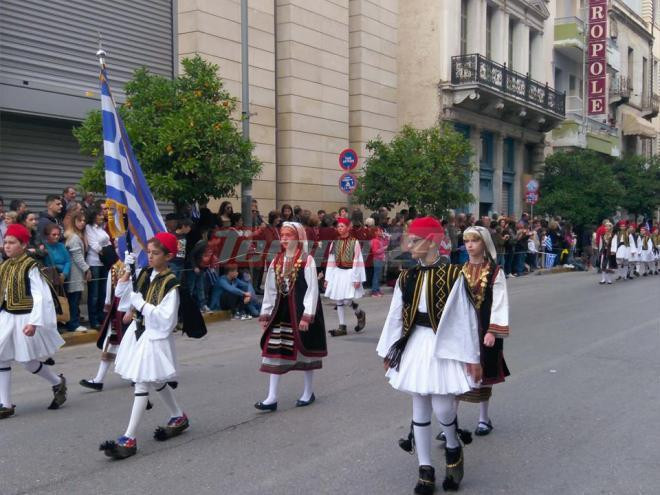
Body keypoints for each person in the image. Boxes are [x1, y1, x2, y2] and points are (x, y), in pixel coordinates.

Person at [377, 217, 481, 493]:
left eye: (414, 240)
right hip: (415, 345)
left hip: (443, 345)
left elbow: (465, 318)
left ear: (432, 241)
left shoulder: (454, 275)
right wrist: (390, 349)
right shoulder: (406, 277)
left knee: (444, 407)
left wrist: (472, 357)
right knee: (419, 405)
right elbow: (395, 317)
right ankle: (425, 469)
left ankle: (452, 445)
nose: (409, 246)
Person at [100, 233, 190, 459]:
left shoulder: (172, 284)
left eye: (155, 253)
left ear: (168, 256)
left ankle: (129, 437)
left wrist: (141, 304)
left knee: (142, 382)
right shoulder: (145, 274)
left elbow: (166, 320)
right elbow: (123, 298)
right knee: (156, 380)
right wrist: (127, 272)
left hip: (155, 337)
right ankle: (178, 415)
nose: (150, 257)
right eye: (148, 252)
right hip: (139, 334)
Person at [254, 222, 326, 411]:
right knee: (275, 349)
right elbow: (270, 289)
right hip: (281, 311)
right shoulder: (276, 260)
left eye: (289, 235)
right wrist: (266, 313)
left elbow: (312, 289)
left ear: (298, 238)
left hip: (301, 312)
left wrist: (307, 315)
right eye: (282, 235)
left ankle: (308, 392)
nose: (284, 238)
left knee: (306, 351)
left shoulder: (306, 260)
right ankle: (271, 397)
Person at [0, 224, 68, 419]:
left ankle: (57, 381)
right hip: (6, 316)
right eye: (5, 242)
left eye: (12, 242)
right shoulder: (4, 266)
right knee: (1, 356)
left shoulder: (31, 266)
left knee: (26, 361)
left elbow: (40, 296)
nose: (7, 246)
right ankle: (5, 403)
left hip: (25, 317)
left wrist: (34, 322)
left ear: (23, 244)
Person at [452, 227, 509, 437]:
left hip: (485, 327)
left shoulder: (496, 271)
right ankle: (451, 422)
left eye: (474, 240)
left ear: (484, 243)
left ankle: (484, 419)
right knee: (456, 374)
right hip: (463, 329)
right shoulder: (458, 270)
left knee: (484, 374)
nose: (469, 245)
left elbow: (500, 303)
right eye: (466, 241)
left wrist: (493, 331)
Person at [324, 218, 366, 337]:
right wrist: (327, 278)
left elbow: (357, 260)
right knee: (338, 299)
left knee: (347, 300)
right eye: (338, 226)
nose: (340, 228)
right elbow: (331, 261)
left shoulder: (354, 242)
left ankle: (359, 313)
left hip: (349, 273)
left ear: (348, 227)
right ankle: (342, 326)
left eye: (342, 226)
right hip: (338, 272)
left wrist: (357, 278)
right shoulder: (334, 242)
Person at [64, 211, 91, 332]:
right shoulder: (74, 237)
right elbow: (77, 256)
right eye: (79, 220)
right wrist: (87, 269)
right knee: (74, 299)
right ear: (73, 221)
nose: (82, 223)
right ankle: (73, 324)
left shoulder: (75, 235)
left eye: (84, 221)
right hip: (74, 273)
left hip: (75, 272)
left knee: (74, 299)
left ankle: (73, 322)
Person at [85, 206, 111, 329]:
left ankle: (101, 317)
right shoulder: (89, 228)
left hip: (103, 263)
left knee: (103, 292)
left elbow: (109, 242)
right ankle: (93, 319)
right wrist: (106, 252)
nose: (102, 216)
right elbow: (94, 245)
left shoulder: (101, 228)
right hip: (94, 262)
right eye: (99, 214)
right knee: (94, 294)